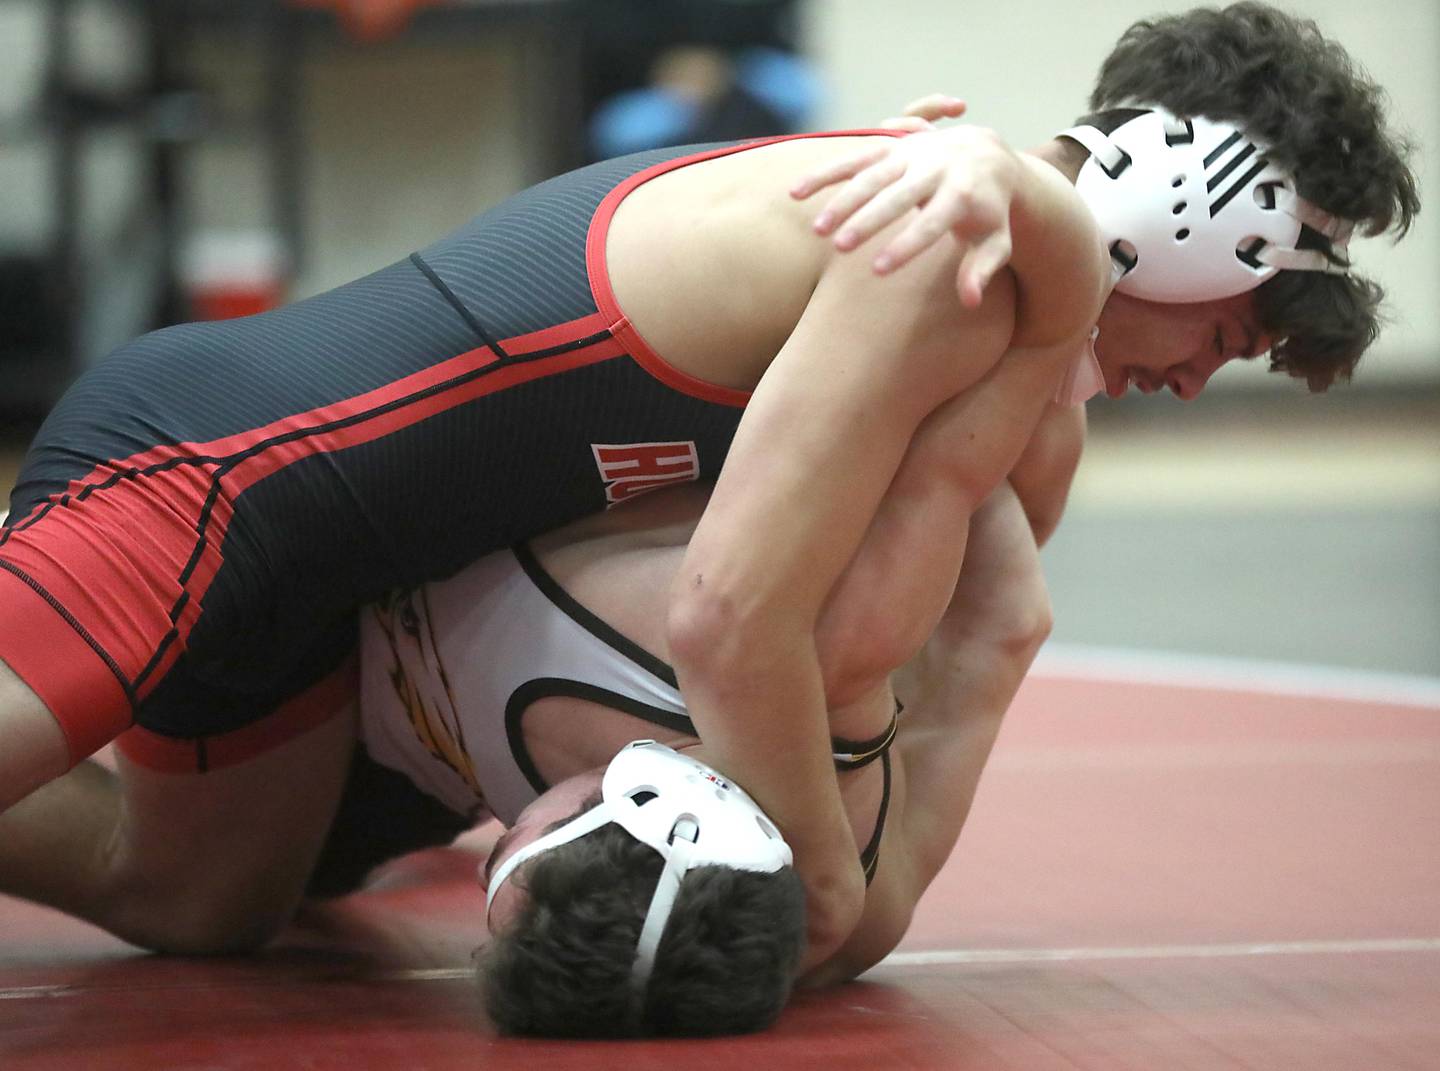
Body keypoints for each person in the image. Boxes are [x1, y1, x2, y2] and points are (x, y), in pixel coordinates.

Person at [0, 1, 1418, 969]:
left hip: (345, 580)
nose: (1205, 371)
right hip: (205, 476)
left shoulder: (995, 321)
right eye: (1236, 330)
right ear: (1187, 223)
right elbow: (735, 615)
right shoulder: (943, 255)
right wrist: (824, 881)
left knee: (200, 902)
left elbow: (897, 647)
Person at [0, 479, 1051, 1038]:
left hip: (373, 737)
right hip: (306, 543)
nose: (501, 830)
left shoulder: (847, 915)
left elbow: (1011, 626)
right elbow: (997, 608)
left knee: (227, 904)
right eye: (519, 850)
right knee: (190, 892)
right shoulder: (773, 634)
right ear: (613, 793)